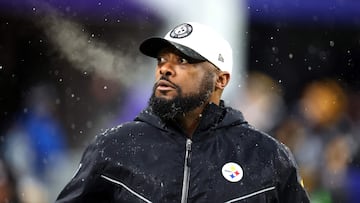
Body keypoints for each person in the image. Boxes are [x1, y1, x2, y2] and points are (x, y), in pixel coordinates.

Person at [56, 22, 310, 203]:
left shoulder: (266, 156)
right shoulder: (114, 147)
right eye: (161, 61)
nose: (165, 69)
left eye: (183, 61)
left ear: (220, 80)